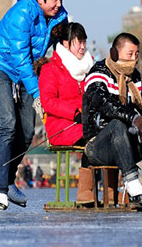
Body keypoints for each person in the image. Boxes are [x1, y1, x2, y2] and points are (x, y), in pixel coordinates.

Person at [0, 0, 68, 210]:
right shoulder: (21, 15)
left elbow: (62, 47)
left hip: (25, 73)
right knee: (7, 125)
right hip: (0, 67)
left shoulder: (59, 16)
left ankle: (7, 180)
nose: (58, 4)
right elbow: (21, 59)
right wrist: (38, 94)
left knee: (28, 131)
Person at [82, 32, 142, 203]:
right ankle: (131, 181)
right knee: (117, 123)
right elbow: (106, 105)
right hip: (98, 146)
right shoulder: (98, 75)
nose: (134, 59)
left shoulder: (133, 78)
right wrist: (134, 118)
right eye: (130, 54)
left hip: (125, 145)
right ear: (115, 53)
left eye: (137, 54)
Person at [38, 22, 95, 205]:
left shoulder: (90, 67)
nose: (82, 46)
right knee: (94, 138)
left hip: (86, 122)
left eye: (84, 41)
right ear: (65, 43)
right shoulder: (51, 69)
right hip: (62, 126)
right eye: (77, 42)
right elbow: (48, 102)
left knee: (112, 134)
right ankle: (85, 192)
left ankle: (112, 190)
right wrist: (75, 113)